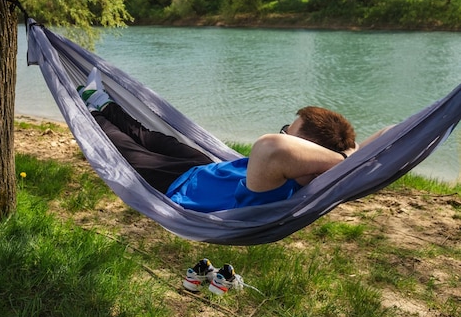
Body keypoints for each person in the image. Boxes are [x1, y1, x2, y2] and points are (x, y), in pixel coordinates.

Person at [78, 68, 376, 213]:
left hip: (173, 186)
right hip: (203, 167)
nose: (281, 134)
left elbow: (270, 148)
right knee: (147, 135)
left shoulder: (273, 188)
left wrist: (340, 161)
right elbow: (392, 134)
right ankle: (102, 102)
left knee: (118, 144)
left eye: (288, 132)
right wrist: (351, 154)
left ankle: (89, 111)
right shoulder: (297, 170)